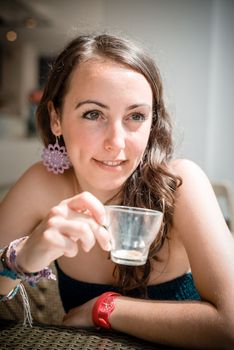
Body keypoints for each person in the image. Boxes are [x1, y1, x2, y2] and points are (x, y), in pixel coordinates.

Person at [0, 33, 234, 349]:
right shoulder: (43, 184)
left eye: (135, 116)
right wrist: (22, 259)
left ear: (152, 122)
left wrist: (107, 309)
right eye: (93, 114)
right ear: (56, 118)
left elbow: (229, 327)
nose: (117, 142)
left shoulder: (182, 185)